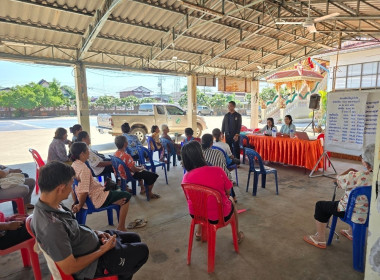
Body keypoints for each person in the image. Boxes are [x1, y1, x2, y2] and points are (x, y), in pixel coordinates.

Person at [31, 161, 149, 280]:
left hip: (91, 242)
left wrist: (97, 233)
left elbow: (75, 228)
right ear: (61, 188)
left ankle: (122, 268)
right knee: (142, 251)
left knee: (134, 238)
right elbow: (70, 267)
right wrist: (103, 250)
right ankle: (119, 273)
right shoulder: (50, 227)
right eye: (71, 184)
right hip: (92, 265)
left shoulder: (53, 204)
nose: (72, 187)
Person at [303, 144, 375, 249]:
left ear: (366, 163)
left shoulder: (356, 176)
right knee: (358, 202)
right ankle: (351, 232)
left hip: (350, 212)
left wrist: (349, 171)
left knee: (320, 206)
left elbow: (337, 181)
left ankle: (320, 239)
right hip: (370, 214)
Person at [181, 141, 244, 243]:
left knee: (200, 202)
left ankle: (199, 232)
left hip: (195, 214)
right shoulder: (217, 171)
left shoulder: (186, 178)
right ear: (201, 154)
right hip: (218, 216)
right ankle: (237, 235)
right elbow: (228, 191)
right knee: (231, 199)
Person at [70, 142, 132, 232]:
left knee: (114, 188)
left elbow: (73, 187)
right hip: (95, 198)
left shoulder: (74, 165)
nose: (89, 152)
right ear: (82, 154)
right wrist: (79, 205)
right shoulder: (84, 169)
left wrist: (76, 201)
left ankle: (115, 201)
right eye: (87, 151)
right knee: (126, 196)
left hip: (88, 196)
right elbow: (84, 191)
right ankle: (121, 227)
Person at [201, 134, 237, 202]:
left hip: (203, 181)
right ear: (212, 143)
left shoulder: (198, 153)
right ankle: (233, 198)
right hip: (216, 181)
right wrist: (230, 180)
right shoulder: (217, 153)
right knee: (227, 178)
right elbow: (224, 170)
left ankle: (233, 197)